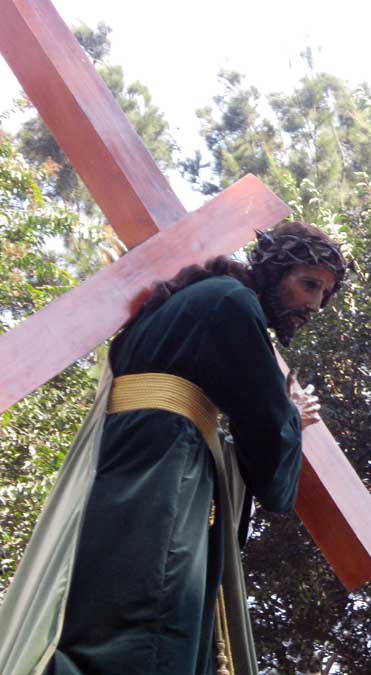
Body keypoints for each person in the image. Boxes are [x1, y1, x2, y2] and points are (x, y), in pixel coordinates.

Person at [39, 221, 351, 675]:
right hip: (164, 478)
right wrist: (293, 417)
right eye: (309, 284)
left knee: (108, 611)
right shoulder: (233, 303)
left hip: (128, 467)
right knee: (151, 620)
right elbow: (266, 426)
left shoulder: (197, 299)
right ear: (272, 271)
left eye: (325, 294)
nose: (316, 305)